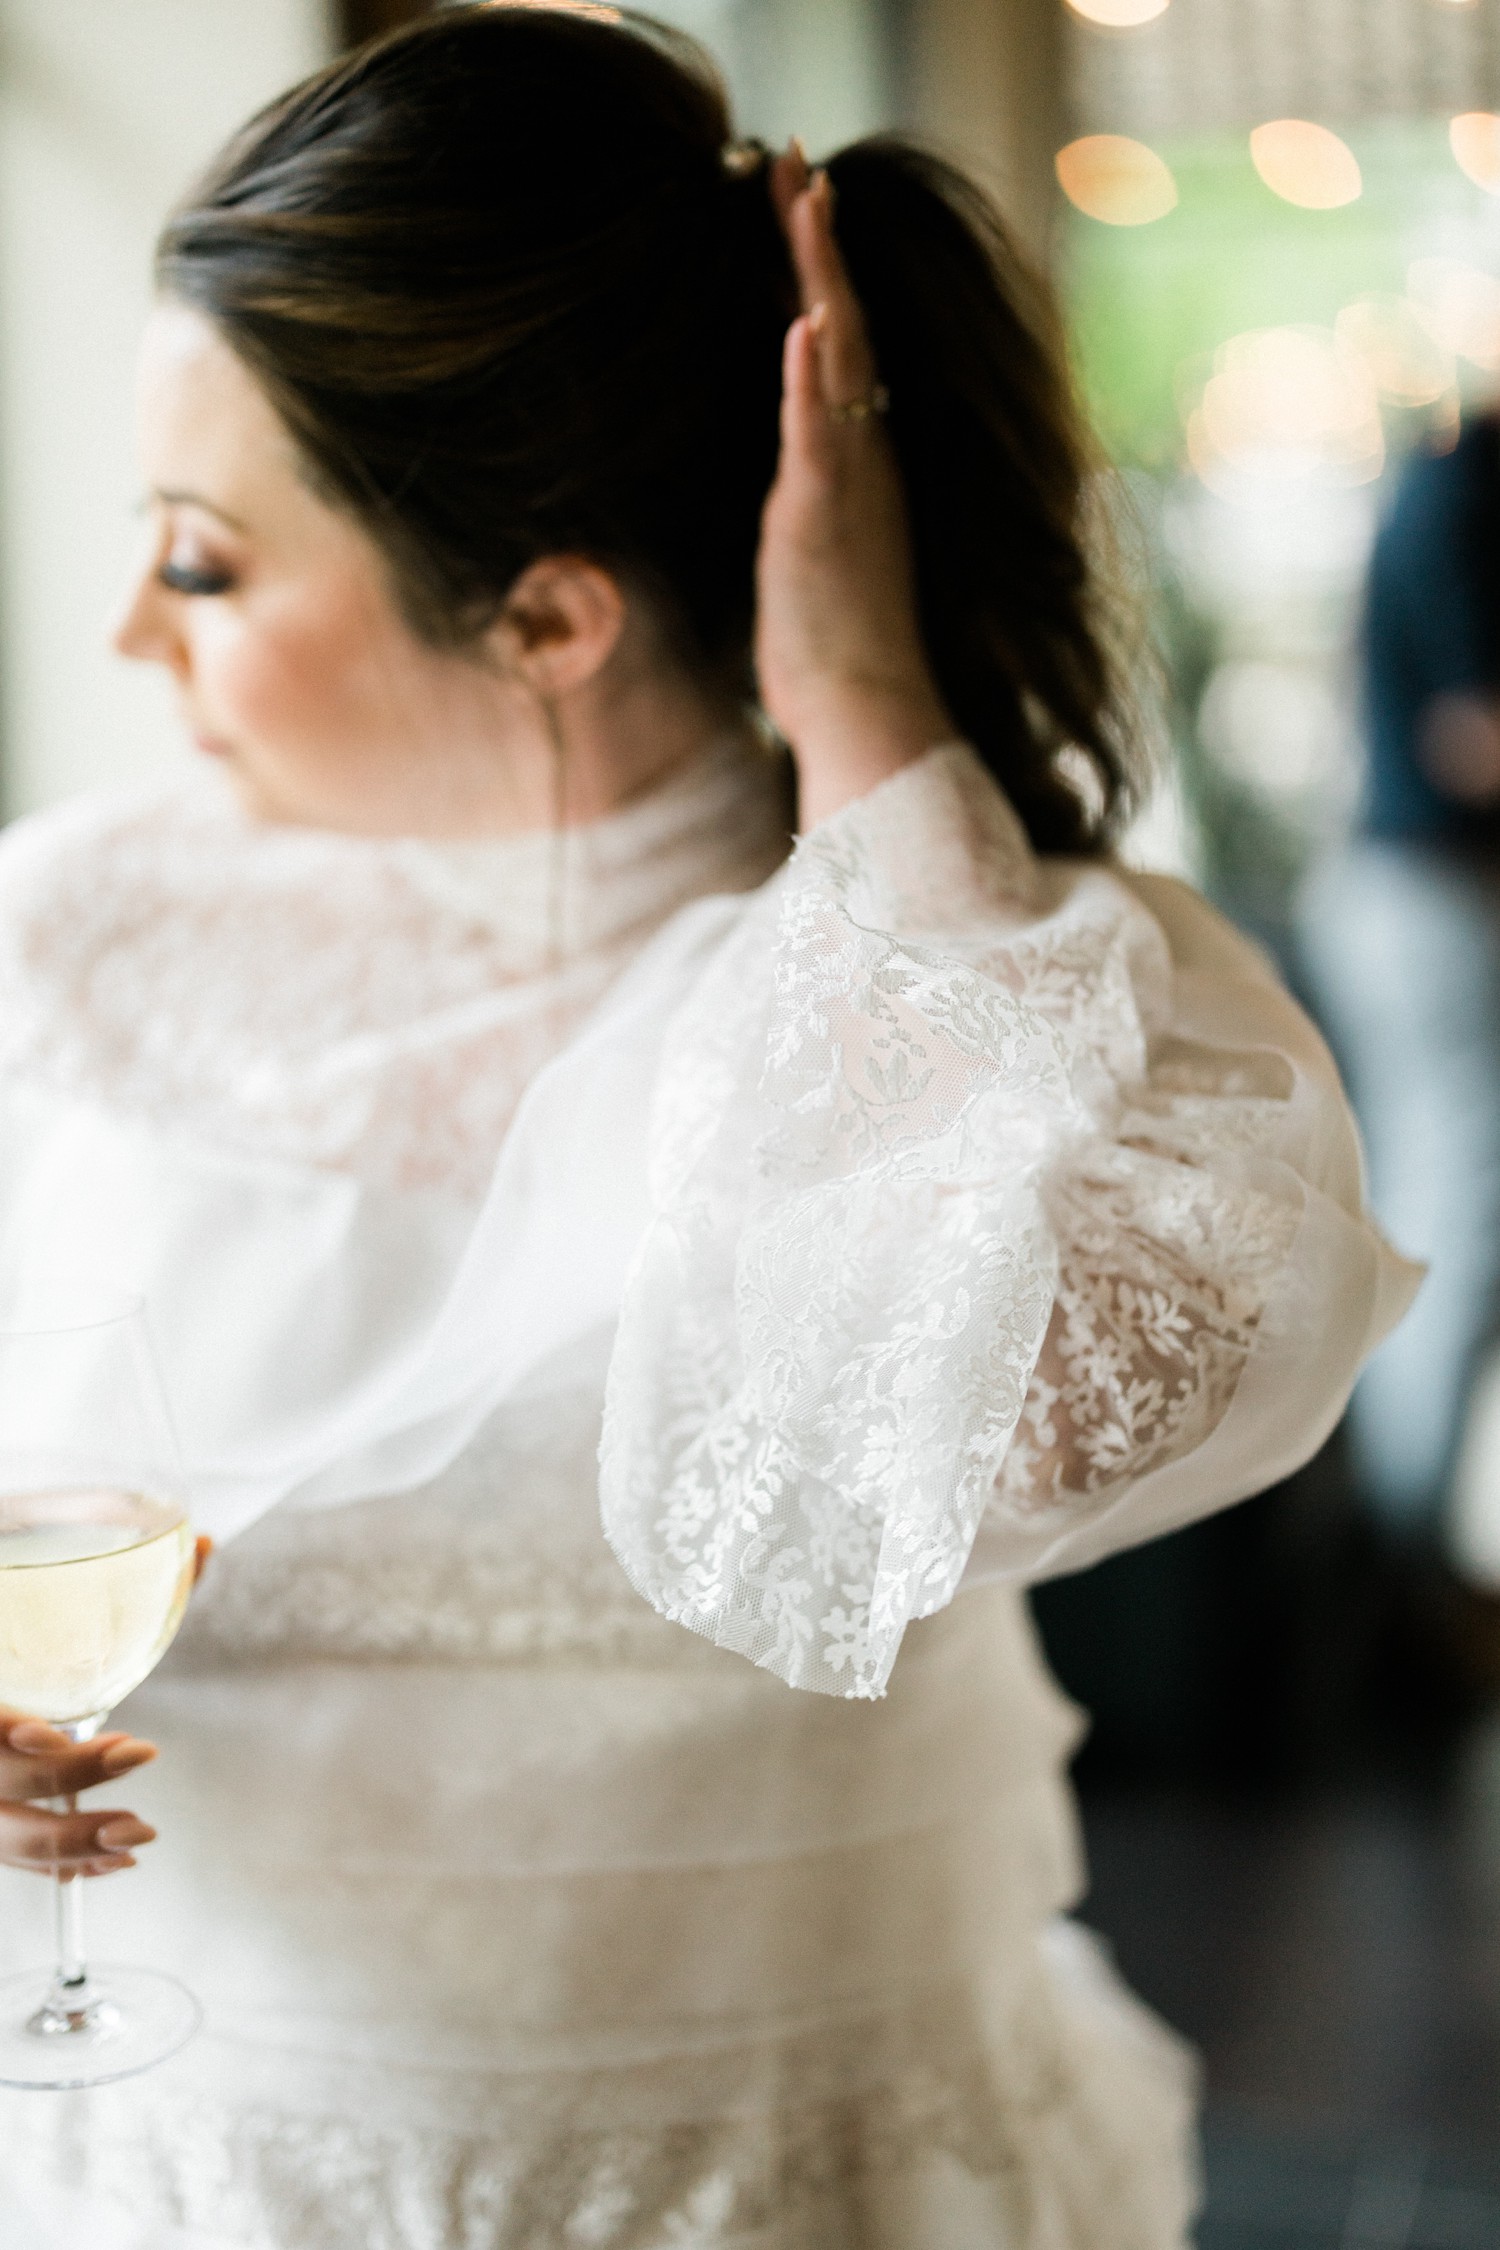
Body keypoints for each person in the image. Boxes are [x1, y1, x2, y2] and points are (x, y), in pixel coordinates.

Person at [0, 10, 1414, 2245]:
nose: (124, 635)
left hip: (799, 2184)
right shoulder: (70, 936)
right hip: (173, 2174)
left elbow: (1023, 1423)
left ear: (550, 610)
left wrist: (860, 719)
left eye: (201, 563)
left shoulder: (1041, 984)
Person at [1300, 415, 1500, 1562]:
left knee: (1445, 1211)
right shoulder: (1459, 488)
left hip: (1423, 896)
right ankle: (1394, 1568)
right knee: (1453, 1221)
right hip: (1421, 897)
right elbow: (1472, 738)